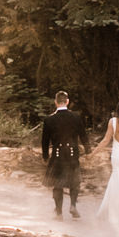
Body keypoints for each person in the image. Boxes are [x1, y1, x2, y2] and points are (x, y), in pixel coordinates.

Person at [40, 91, 91, 219]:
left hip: (57, 154)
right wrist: (88, 150)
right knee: (75, 182)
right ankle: (73, 205)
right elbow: (83, 135)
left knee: (57, 184)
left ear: (55, 102)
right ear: (67, 102)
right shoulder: (76, 117)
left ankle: (58, 213)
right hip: (73, 153)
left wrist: (45, 156)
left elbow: (45, 140)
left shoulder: (49, 119)